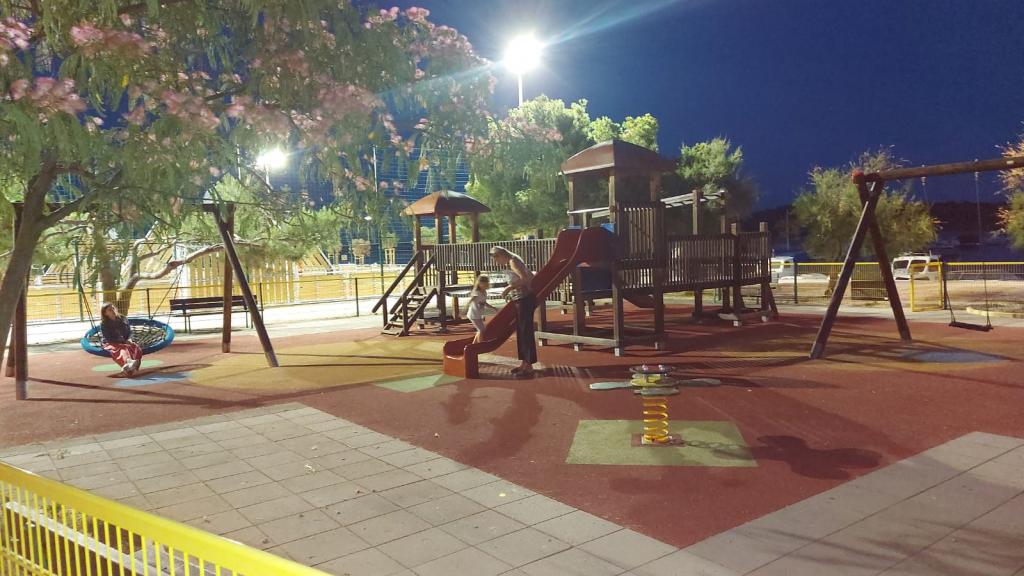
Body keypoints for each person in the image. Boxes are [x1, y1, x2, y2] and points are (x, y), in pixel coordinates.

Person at [489, 246, 537, 377]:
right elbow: (528, 275)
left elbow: (525, 278)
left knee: (525, 331)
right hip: (520, 298)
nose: (497, 263)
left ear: (500, 255)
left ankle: (529, 365)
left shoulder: (513, 261)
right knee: (521, 331)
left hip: (524, 299)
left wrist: (509, 288)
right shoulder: (513, 260)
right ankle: (524, 363)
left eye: (496, 260)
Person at [100, 303, 142, 376]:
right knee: (122, 349)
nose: (113, 310)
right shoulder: (104, 323)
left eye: (113, 308)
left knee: (136, 347)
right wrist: (123, 341)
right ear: (105, 313)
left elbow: (129, 332)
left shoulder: (123, 319)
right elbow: (108, 337)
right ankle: (129, 362)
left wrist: (129, 339)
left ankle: (131, 366)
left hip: (125, 341)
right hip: (111, 343)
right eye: (110, 310)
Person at [467, 275, 499, 343]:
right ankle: (480, 343)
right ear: (479, 284)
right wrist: (466, 307)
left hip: (478, 315)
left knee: (482, 330)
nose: (485, 286)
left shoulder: (484, 293)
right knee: (481, 330)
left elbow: (484, 303)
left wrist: (492, 307)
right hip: (473, 315)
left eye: (486, 284)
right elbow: (471, 300)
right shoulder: (477, 292)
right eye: (483, 284)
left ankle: (474, 344)